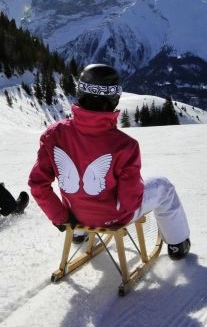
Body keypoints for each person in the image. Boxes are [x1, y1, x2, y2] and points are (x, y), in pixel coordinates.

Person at [28, 64, 191, 259]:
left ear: (80, 92)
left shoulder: (54, 134)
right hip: (114, 218)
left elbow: (38, 184)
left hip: (74, 214)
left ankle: (79, 234)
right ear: (114, 98)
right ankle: (177, 244)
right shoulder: (125, 145)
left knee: (77, 187)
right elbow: (129, 202)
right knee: (163, 186)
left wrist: (60, 218)